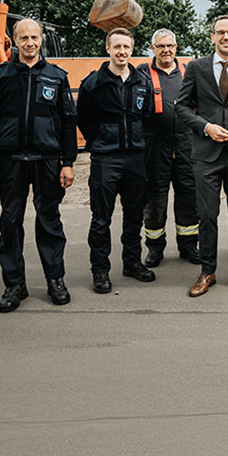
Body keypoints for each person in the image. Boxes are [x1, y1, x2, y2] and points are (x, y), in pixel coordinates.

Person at [0, 18, 77, 312]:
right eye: (24, 38)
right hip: (10, 162)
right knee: (10, 223)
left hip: (46, 161)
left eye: (34, 37)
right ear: (14, 40)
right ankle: (14, 284)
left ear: (41, 39)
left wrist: (68, 163)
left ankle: (55, 279)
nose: (30, 43)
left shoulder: (57, 76)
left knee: (49, 222)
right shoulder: (1, 77)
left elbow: (68, 124)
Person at [175, 15, 228, 297]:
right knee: (207, 215)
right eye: (220, 32)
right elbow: (183, 107)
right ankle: (207, 272)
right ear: (212, 36)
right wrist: (206, 127)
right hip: (206, 155)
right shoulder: (196, 68)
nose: (226, 37)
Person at [77, 27, 155, 294]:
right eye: (117, 47)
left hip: (134, 158)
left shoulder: (142, 81)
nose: (122, 52)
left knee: (134, 216)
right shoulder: (94, 83)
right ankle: (100, 271)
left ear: (132, 49)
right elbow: (84, 118)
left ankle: (132, 263)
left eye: (127, 47)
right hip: (105, 159)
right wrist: (101, 140)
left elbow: (144, 117)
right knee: (101, 219)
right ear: (108, 48)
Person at [137, 28, 199, 268]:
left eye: (170, 46)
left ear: (176, 47)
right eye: (161, 46)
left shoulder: (189, 72)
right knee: (155, 200)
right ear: (152, 49)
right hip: (154, 147)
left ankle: (188, 246)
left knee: (188, 197)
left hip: (186, 146)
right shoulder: (141, 73)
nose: (166, 50)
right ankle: (154, 248)